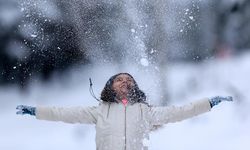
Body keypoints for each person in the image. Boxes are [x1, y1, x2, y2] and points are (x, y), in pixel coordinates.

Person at [16, 73, 233, 150]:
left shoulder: (145, 111)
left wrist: (208, 103)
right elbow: (63, 113)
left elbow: (179, 111)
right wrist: (36, 111)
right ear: (110, 86)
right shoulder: (99, 111)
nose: (125, 82)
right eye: (119, 80)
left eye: (129, 80)